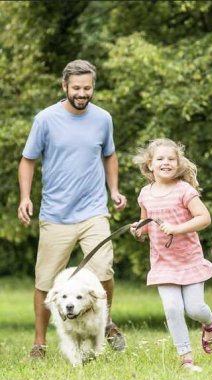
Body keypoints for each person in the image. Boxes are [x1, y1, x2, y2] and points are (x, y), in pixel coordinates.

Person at [17, 59, 128, 359]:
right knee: (45, 280)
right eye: (76, 88)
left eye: (87, 88)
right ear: (64, 86)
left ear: (93, 87)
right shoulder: (45, 119)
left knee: (104, 269)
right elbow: (28, 160)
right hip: (56, 215)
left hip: (94, 210)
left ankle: (106, 323)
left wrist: (114, 190)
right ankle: (39, 344)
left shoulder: (103, 118)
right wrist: (25, 197)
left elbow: (110, 155)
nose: (82, 93)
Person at [130, 138, 212, 368]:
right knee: (172, 308)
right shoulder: (145, 194)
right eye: (160, 159)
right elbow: (146, 225)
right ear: (150, 164)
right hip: (163, 263)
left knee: (194, 309)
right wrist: (138, 232)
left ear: (178, 164)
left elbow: (204, 218)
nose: (166, 163)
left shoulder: (184, 190)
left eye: (171, 159)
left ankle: (209, 322)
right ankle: (186, 358)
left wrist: (177, 228)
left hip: (188, 260)